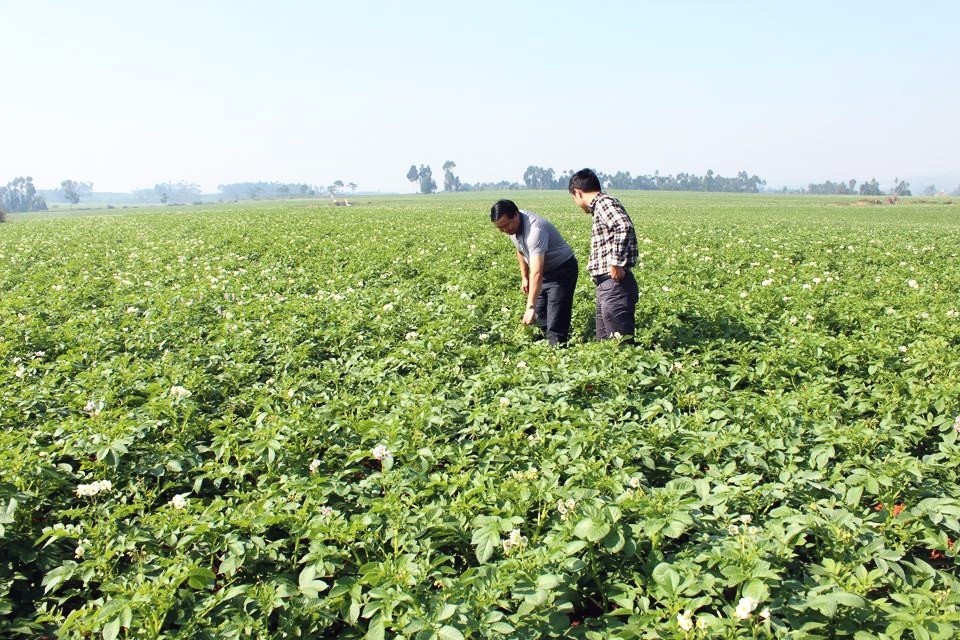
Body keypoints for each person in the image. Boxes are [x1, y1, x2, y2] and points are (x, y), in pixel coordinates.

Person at [490, 199, 579, 345]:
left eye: (505, 226)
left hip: (562, 270)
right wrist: (524, 277)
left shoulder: (535, 230)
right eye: (500, 228)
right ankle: (542, 349)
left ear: (516, 215)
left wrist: (529, 307)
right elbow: (520, 250)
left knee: (556, 317)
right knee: (540, 317)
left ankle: (556, 353)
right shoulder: (513, 229)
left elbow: (537, 272)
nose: (504, 230)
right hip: (544, 272)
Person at [568, 168, 639, 341]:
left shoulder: (604, 203)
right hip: (606, 285)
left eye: (573, 198)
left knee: (619, 345)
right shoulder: (602, 205)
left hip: (614, 284)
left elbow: (623, 226)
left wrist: (616, 264)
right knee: (606, 343)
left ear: (577, 193)